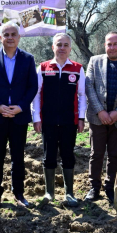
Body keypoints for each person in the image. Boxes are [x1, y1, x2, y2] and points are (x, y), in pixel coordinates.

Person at [0, 22, 38, 210]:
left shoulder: (28, 59)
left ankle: (19, 194)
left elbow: (32, 86)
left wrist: (21, 107)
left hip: (18, 116)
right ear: (0, 37)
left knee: (18, 157)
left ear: (19, 37)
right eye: (6, 34)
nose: (10, 37)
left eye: (14, 34)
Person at [32, 33, 86, 207]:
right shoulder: (43, 67)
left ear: (70, 48)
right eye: (58, 44)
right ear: (53, 47)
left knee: (68, 155)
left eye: (65, 45)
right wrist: (36, 118)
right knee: (48, 156)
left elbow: (82, 95)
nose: (62, 48)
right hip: (47, 121)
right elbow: (36, 95)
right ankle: (49, 193)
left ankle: (69, 193)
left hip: (69, 121)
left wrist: (81, 118)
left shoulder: (78, 68)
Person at [84, 31, 117, 203]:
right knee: (96, 153)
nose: (112, 47)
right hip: (97, 117)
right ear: (104, 45)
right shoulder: (94, 61)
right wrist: (101, 111)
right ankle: (94, 187)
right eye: (109, 44)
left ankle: (110, 188)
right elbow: (89, 87)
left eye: (115, 44)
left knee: (115, 154)